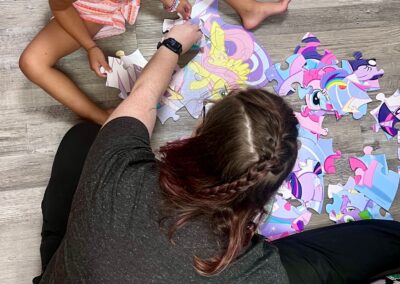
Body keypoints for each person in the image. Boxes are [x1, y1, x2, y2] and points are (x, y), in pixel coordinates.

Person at [34, 23, 400, 283]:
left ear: (198, 131)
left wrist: (173, 44)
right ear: (268, 190)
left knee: (83, 138)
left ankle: (56, 240)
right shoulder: (258, 271)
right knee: (344, 255)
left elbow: (139, 102)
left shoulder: (114, 168)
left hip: (69, 270)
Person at [18, 0, 191, 124]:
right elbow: (61, 8)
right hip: (89, 10)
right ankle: (99, 117)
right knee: (32, 63)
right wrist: (90, 46)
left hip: (102, 7)